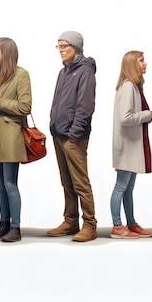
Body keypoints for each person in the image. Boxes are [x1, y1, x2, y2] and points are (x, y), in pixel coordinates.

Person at [46, 31, 98, 242]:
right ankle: (70, 221)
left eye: (64, 46)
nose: (61, 50)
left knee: (80, 182)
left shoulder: (85, 72)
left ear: (76, 47)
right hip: (58, 135)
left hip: (73, 138)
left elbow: (85, 107)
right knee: (66, 182)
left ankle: (90, 224)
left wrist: (74, 135)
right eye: (58, 46)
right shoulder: (63, 72)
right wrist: (53, 124)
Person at [0, 37, 32, 243]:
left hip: (10, 135)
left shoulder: (22, 75)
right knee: (0, 185)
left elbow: (25, 107)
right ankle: (4, 223)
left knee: (10, 184)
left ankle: (15, 227)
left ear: (6, 53)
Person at [110, 51, 152, 239]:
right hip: (127, 146)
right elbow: (125, 118)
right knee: (121, 186)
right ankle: (117, 226)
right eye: (141, 60)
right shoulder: (128, 87)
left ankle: (131, 222)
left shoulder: (133, 86)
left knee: (128, 188)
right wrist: (147, 115)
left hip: (132, 146)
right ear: (131, 64)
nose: (145, 63)